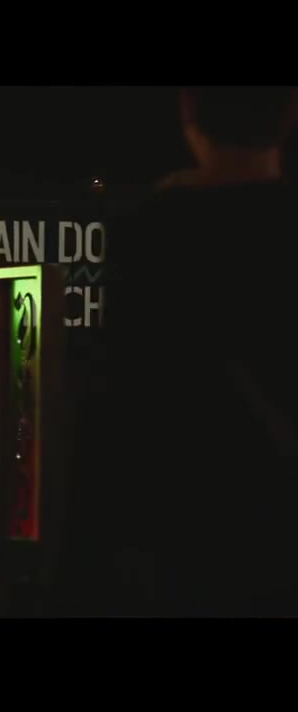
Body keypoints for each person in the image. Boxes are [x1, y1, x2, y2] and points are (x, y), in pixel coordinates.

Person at [55, 87, 298, 617]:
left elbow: (111, 423)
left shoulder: (152, 238)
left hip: (178, 559)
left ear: (189, 110)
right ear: (289, 111)